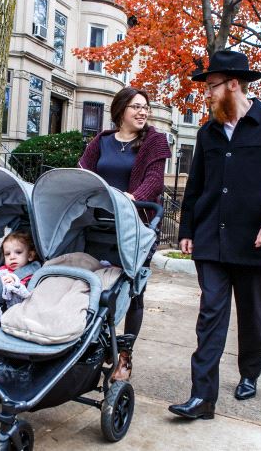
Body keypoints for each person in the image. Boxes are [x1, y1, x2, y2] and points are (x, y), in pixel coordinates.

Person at [168, 50, 261, 420]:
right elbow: (195, 186)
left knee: (252, 314)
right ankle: (202, 398)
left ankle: (249, 373)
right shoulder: (208, 132)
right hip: (211, 238)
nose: (206, 95)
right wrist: (187, 230)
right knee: (210, 314)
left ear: (234, 85)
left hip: (256, 239)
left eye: (211, 87)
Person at [79, 86, 171, 381]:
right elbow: (83, 172)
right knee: (94, 285)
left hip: (137, 226)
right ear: (120, 111)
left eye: (145, 107)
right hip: (100, 225)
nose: (142, 111)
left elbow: (155, 180)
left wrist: (131, 199)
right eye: (136, 106)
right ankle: (94, 340)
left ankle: (126, 356)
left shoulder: (154, 141)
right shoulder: (102, 141)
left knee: (133, 291)